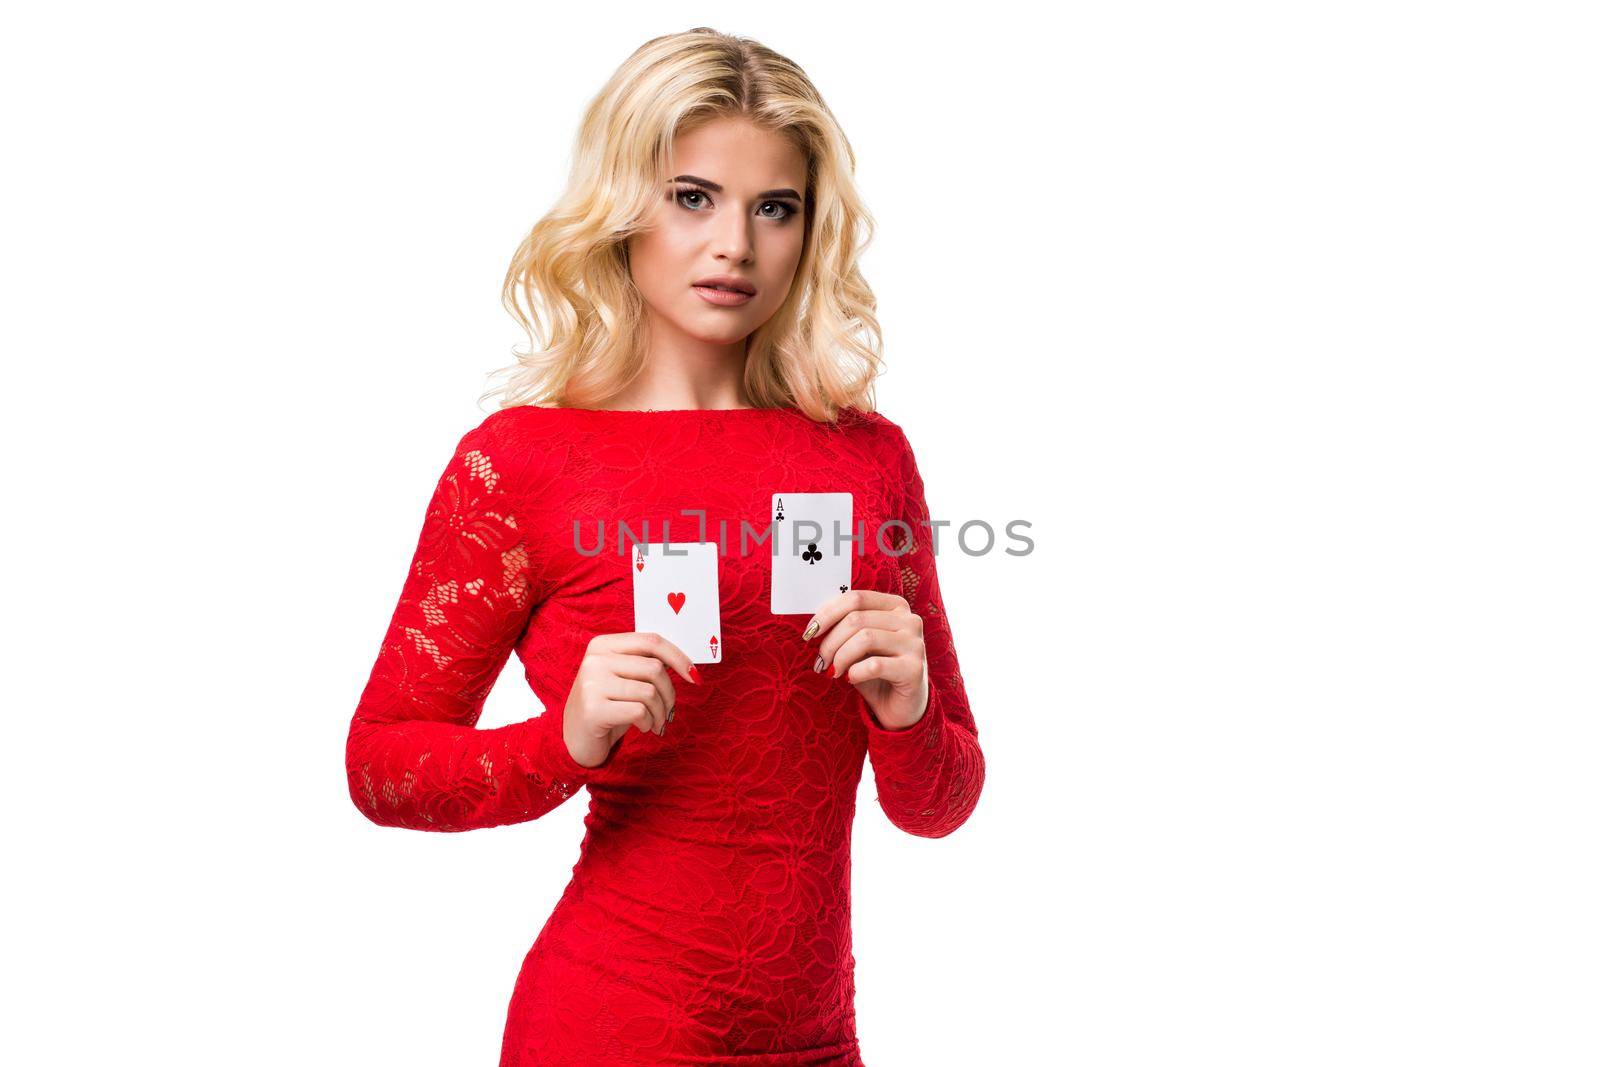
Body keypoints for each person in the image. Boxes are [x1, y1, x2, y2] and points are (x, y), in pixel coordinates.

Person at [344, 27, 985, 1067]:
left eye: (773, 207)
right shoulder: (521, 462)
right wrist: (565, 735)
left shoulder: (870, 458)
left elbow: (941, 803)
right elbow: (380, 764)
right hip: (612, 1024)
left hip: (819, 1039)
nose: (734, 243)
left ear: (809, 229)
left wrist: (908, 711)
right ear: (620, 208)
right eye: (692, 197)